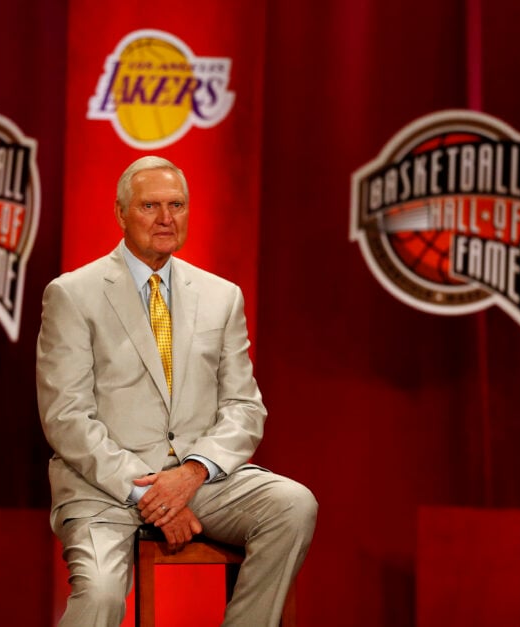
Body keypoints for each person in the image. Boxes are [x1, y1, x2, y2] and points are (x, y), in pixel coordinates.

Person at [36, 155, 318, 626]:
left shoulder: (221, 295)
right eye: (150, 206)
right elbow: (66, 418)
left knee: (292, 505)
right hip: (103, 486)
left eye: (177, 205)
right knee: (102, 594)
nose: (167, 219)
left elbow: (244, 408)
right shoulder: (72, 294)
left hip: (199, 481)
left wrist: (191, 473)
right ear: (121, 213)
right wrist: (150, 495)